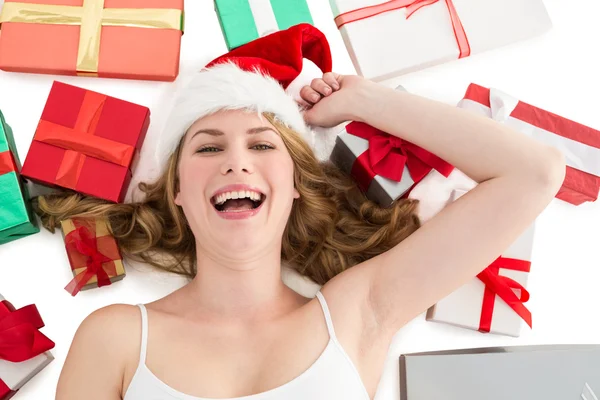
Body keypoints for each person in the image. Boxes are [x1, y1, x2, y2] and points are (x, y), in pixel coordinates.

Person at [39, 26, 565, 400]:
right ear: (176, 191)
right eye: (207, 148)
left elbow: (534, 173)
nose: (236, 163)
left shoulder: (360, 312)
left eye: (264, 147)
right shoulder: (115, 336)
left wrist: (365, 101)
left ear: (294, 187)